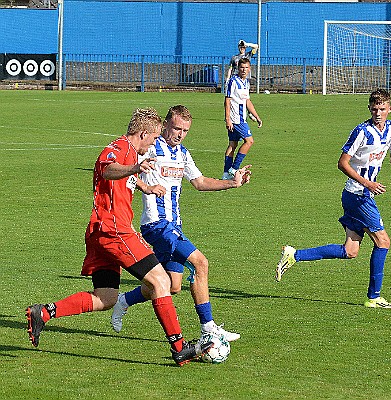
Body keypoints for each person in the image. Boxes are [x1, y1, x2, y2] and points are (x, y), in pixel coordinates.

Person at [25, 107, 213, 366]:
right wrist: (135, 167)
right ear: (144, 133)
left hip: (103, 231)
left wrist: (145, 186)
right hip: (113, 230)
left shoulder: (132, 153)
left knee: (106, 297)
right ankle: (180, 349)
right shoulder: (121, 148)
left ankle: (44, 312)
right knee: (161, 281)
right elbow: (107, 169)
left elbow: (123, 185)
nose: (154, 143)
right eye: (154, 137)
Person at [111, 105, 251, 341]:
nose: (180, 134)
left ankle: (124, 301)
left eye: (185, 130)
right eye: (176, 128)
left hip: (174, 226)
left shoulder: (183, 154)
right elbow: (127, 174)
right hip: (157, 225)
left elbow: (200, 182)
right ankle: (209, 328)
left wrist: (232, 183)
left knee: (172, 284)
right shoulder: (149, 148)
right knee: (200, 263)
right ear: (165, 124)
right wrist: (145, 187)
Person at [276, 89, 391, 309]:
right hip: (358, 195)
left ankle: (294, 255)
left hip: (358, 195)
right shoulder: (361, 132)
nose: (378, 113)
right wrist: (367, 183)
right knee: (383, 241)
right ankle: (374, 297)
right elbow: (342, 163)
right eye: (374, 109)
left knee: (350, 251)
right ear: (369, 109)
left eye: (382, 109)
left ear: (390, 109)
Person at [223, 57, 262, 180]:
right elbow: (227, 100)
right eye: (242, 68)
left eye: (246, 68)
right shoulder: (232, 81)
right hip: (236, 119)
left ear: (250, 69)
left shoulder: (246, 82)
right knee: (249, 141)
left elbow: (247, 101)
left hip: (241, 118)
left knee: (232, 144)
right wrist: (228, 119)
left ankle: (226, 174)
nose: (244, 70)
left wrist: (257, 116)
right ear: (238, 68)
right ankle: (234, 169)